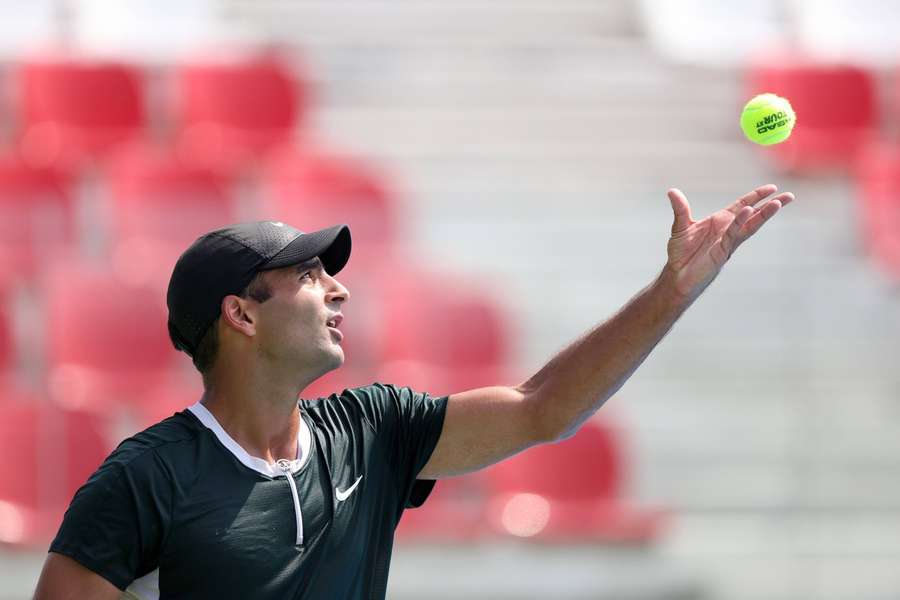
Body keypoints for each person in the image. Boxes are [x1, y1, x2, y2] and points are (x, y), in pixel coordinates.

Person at [33, 185, 793, 599]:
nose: (339, 290)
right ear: (239, 314)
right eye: (308, 277)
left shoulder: (374, 428)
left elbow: (543, 408)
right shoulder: (144, 477)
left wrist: (673, 291)